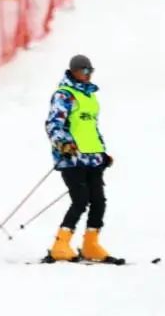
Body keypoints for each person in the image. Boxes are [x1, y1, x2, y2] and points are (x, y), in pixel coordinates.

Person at [45, 55, 117, 262]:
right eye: (85, 71)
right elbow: (53, 125)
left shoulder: (90, 96)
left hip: (93, 158)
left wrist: (102, 152)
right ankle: (60, 245)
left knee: (99, 202)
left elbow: (91, 128)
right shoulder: (64, 95)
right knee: (80, 200)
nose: (88, 75)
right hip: (72, 158)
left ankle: (90, 244)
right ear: (74, 71)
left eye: (90, 71)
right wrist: (63, 144)